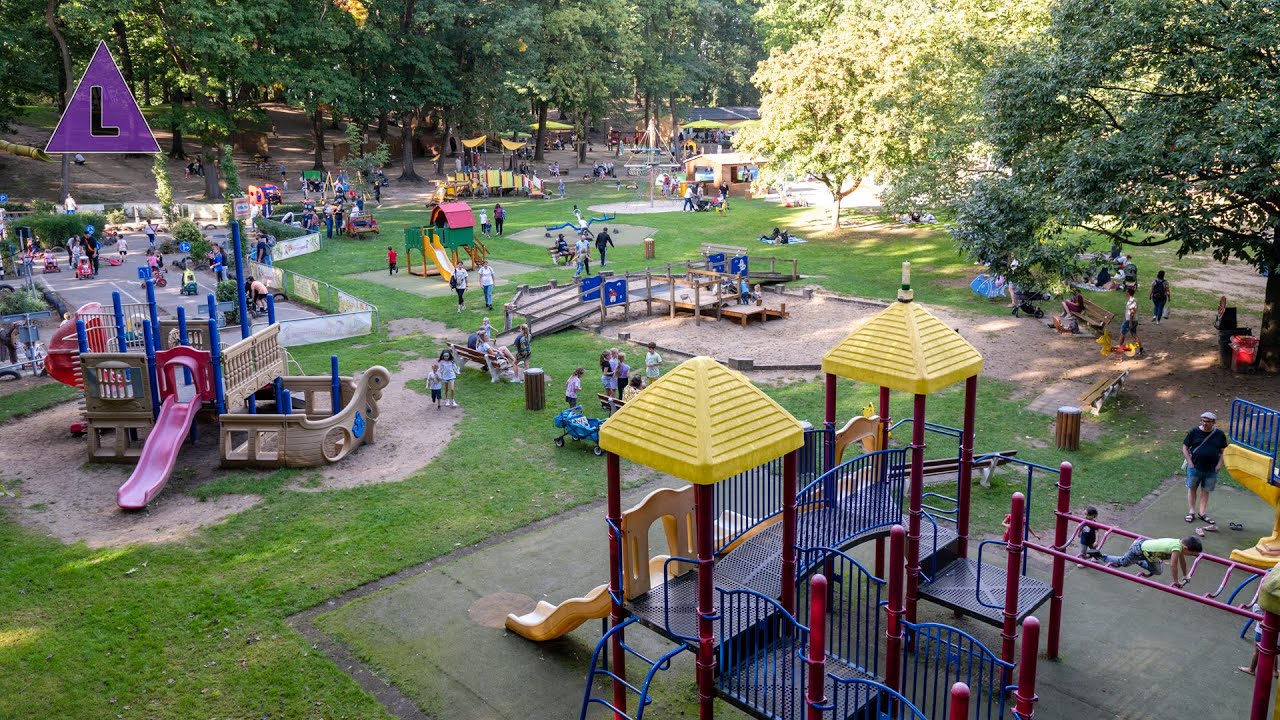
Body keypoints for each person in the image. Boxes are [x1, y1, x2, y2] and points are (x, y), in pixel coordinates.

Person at [1102, 535, 1201, 587]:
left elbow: (1183, 562)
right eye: (1191, 553)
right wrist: (1176, 581)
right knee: (1123, 562)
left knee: (1158, 571)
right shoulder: (1176, 548)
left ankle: (1137, 561)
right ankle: (1101, 556)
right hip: (1139, 549)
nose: (1191, 555)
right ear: (1185, 548)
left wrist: (1185, 575)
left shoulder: (1180, 546)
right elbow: (1173, 565)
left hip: (1151, 556)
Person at [1184, 411, 1228, 524]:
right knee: (1192, 488)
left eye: (1208, 422)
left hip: (1212, 469)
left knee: (1206, 491)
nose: (1205, 423)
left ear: (1214, 422)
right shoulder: (1194, 432)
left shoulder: (1219, 434)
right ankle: (1191, 512)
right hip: (1195, 467)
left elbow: (1224, 451)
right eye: (1203, 421)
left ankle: (1202, 513)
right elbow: (1185, 447)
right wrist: (1190, 463)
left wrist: (1219, 465)